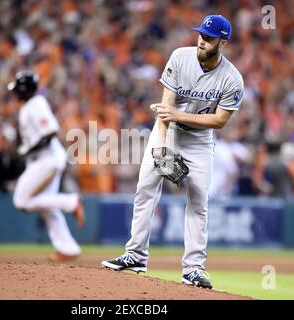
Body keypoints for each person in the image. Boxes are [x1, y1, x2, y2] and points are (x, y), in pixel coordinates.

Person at [102, 15, 244, 289]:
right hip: (168, 129)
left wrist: (178, 115)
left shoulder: (232, 79)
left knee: (199, 199)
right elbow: (165, 108)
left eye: (209, 38)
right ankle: (135, 254)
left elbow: (219, 121)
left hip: (200, 139)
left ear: (223, 42)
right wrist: (163, 147)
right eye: (201, 34)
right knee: (145, 186)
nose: (202, 40)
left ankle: (193, 269)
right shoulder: (180, 57)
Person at [8, 71, 85, 262]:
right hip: (46, 159)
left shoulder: (36, 104)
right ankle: (68, 249)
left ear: (24, 91)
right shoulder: (30, 106)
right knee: (46, 205)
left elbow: (50, 132)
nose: (15, 93)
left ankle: (71, 202)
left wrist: (27, 149)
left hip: (46, 159)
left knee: (21, 201)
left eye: (17, 90)